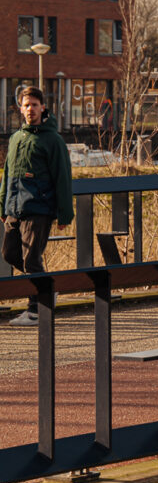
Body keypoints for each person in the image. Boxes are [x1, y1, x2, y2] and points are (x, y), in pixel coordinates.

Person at [1, 85, 73, 326]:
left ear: (43, 107)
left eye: (34, 104)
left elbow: (63, 177)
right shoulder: (15, 138)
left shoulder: (53, 140)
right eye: (26, 105)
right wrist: (3, 206)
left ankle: (35, 310)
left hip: (39, 208)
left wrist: (64, 213)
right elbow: (7, 173)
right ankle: (47, 288)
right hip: (15, 207)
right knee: (9, 254)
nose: (30, 109)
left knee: (31, 260)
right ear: (20, 109)